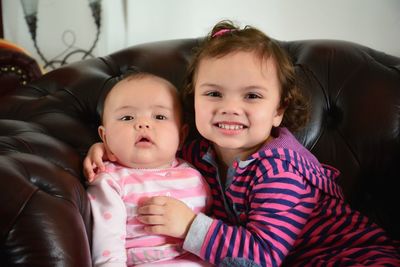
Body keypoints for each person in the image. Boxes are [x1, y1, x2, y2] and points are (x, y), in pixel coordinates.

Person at [84, 21, 400, 266]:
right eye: (214, 93)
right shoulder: (199, 151)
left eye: (251, 95)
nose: (230, 107)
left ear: (278, 110)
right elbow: (153, 146)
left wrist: (191, 226)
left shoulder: (280, 171)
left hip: (352, 257)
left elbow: (260, 258)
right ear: (193, 102)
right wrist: (107, 148)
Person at [87, 71, 212, 267]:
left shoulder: (195, 172)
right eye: (127, 117)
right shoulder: (110, 181)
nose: (143, 124)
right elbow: (108, 248)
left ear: (182, 136)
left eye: (160, 116)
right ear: (105, 136)